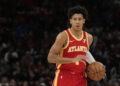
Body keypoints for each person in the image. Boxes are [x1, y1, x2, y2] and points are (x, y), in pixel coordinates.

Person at [48, 5, 96, 86]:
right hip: (64, 76)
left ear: (84, 21)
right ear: (70, 21)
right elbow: (50, 57)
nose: (77, 22)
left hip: (81, 78)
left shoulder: (89, 37)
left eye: (80, 19)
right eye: (75, 19)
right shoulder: (63, 36)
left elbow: (85, 52)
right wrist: (72, 60)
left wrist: (94, 64)